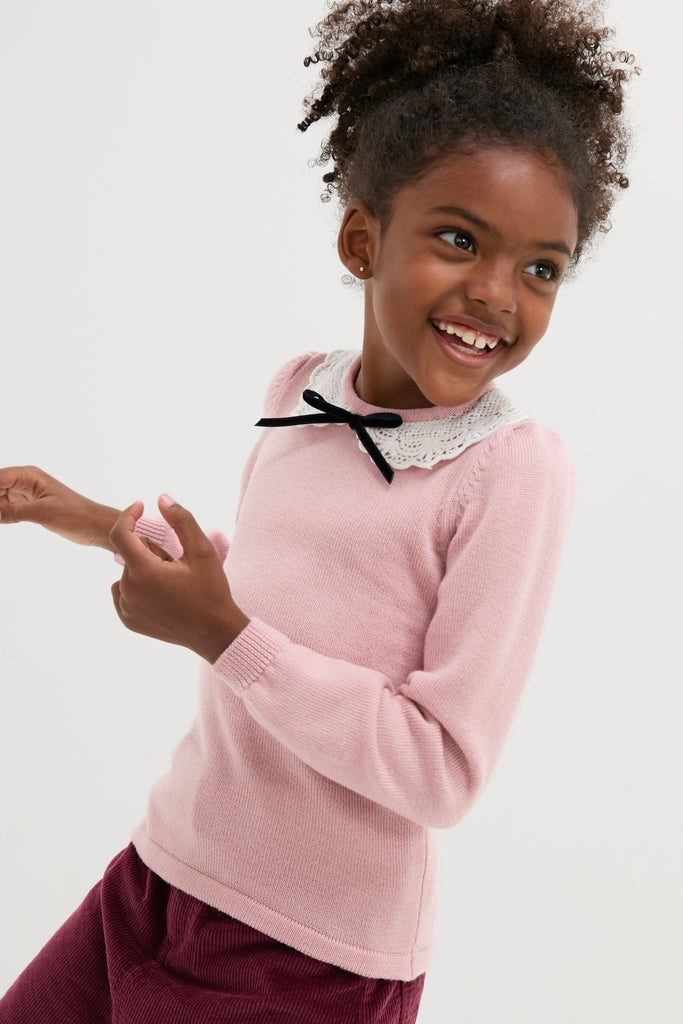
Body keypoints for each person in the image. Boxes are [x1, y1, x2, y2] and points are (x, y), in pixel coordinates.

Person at [0, 0, 635, 1021]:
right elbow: (255, 584)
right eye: (458, 238)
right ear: (360, 236)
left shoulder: (509, 471)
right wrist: (78, 513)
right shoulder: (299, 386)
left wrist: (223, 637)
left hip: (303, 961)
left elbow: (440, 767)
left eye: (538, 268)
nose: (495, 295)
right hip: (160, 874)